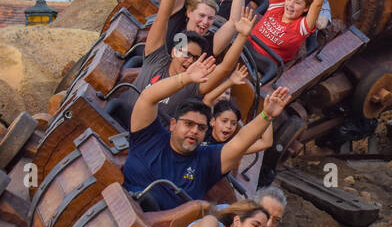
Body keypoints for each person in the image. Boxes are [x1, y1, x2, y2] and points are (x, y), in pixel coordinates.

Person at [122, 61, 291, 210]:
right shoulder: (150, 136)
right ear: (173, 124)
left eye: (201, 128)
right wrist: (185, 78)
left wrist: (266, 116)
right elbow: (147, 98)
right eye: (188, 124)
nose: (194, 131)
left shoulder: (207, 160)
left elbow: (240, 142)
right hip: (119, 205)